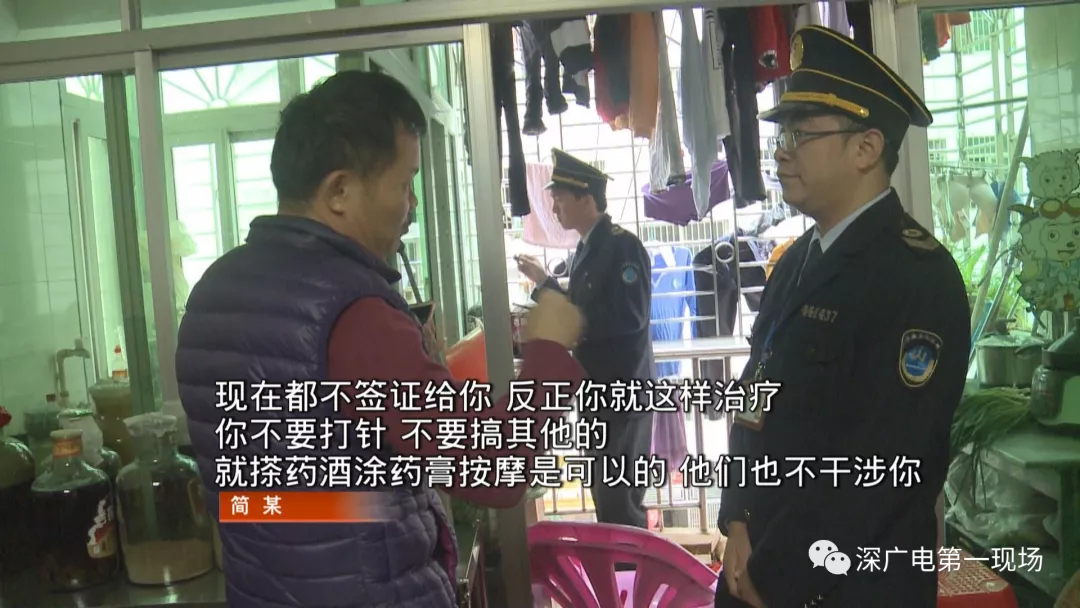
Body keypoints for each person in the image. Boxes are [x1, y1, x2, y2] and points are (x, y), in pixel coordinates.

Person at [175, 71, 585, 608]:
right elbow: (493, 470)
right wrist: (548, 353)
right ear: (339, 191)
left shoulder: (213, 291)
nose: (411, 204)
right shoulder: (352, 309)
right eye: (404, 183)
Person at [715, 26, 970, 608]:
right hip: (758, 562)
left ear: (866, 148)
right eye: (783, 134)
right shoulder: (795, 262)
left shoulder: (916, 278)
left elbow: (883, 465)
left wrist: (772, 576)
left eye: (802, 134)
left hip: (845, 586)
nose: (781, 151)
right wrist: (737, 519)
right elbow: (754, 399)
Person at [515, 149, 655, 529]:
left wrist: (571, 324)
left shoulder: (622, 247)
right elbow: (581, 306)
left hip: (622, 399)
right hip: (597, 395)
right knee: (605, 498)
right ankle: (619, 565)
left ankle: (629, 567)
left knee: (620, 503)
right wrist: (544, 284)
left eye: (560, 198)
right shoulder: (586, 249)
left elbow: (630, 316)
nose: (554, 208)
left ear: (586, 199)